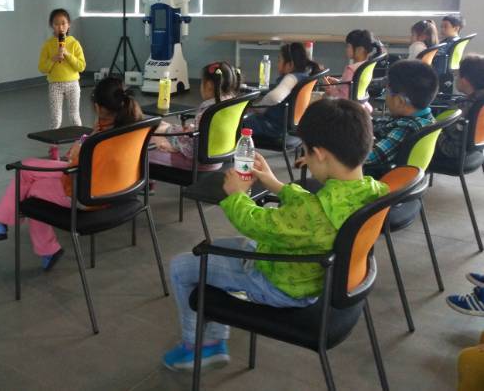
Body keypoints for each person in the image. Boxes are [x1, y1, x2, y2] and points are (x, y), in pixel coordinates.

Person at [162, 98, 388, 371]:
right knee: (223, 249)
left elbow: (256, 223)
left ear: (320, 154)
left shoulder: (314, 214)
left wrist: (236, 195)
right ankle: (213, 335)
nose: (306, 158)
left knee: (182, 267)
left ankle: (199, 346)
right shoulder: (372, 190)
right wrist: (275, 184)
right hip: (310, 274)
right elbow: (313, 205)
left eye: (306, 152)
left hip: (278, 285)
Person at [0, 77, 142, 271]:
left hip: (87, 193)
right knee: (27, 169)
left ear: (98, 107)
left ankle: (2, 224)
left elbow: (74, 166)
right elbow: (93, 151)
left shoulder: (99, 140)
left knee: (30, 186)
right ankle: (31, 240)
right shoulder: (132, 126)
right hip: (116, 188)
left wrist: (77, 152)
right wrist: (83, 144)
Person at [150, 61, 240, 171]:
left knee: (145, 144)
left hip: (197, 163)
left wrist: (172, 146)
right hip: (218, 159)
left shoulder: (208, 112)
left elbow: (190, 150)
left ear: (209, 85)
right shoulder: (231, 104)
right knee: (161, 125)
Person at [364, 60, 438, 176]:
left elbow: (370, 157)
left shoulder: (406, 128)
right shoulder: (425, 117)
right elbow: (386, 125)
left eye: (386, 92)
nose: (385, 96)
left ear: (399, 101)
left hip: (376, 177)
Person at [243, 42, 320, 139]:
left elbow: (274, 97)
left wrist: (257, 106)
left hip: (272, 127)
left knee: (238, 123)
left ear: (290, 65)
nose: (277, 64)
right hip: (284, 127)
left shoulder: (291, 78)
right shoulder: (304, 76)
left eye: (279, 60)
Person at [37, 8, 86, 159]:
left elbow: (81, 66)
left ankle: (78, 147)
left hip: (73, 84)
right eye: (56, 24)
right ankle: (53, 148)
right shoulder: (48, 45)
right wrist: (53, 58)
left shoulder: (74, 43)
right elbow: (42, 68)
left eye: (63, 23)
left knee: (75, 117)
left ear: (69, 24)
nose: (60, 27)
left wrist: (67, 54)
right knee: (56, 119)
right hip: (55, 85)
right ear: (51, 25)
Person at [434, 55, 484, 160]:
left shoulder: (464, 108)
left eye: (457, 75)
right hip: (476, 149)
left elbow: (447, 128)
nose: (455, 78)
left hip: (453, 151)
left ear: (464, 81)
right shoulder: (479, 100)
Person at [324, 29, 385, 112]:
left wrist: (330, 89)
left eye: (348, 46)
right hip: (360, 104)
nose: (346, 49)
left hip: (347, 109)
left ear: (360, 49)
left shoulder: (351, 69)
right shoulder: (367, 65)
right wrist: (339, 82)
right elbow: (356, 85)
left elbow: (344, 98)